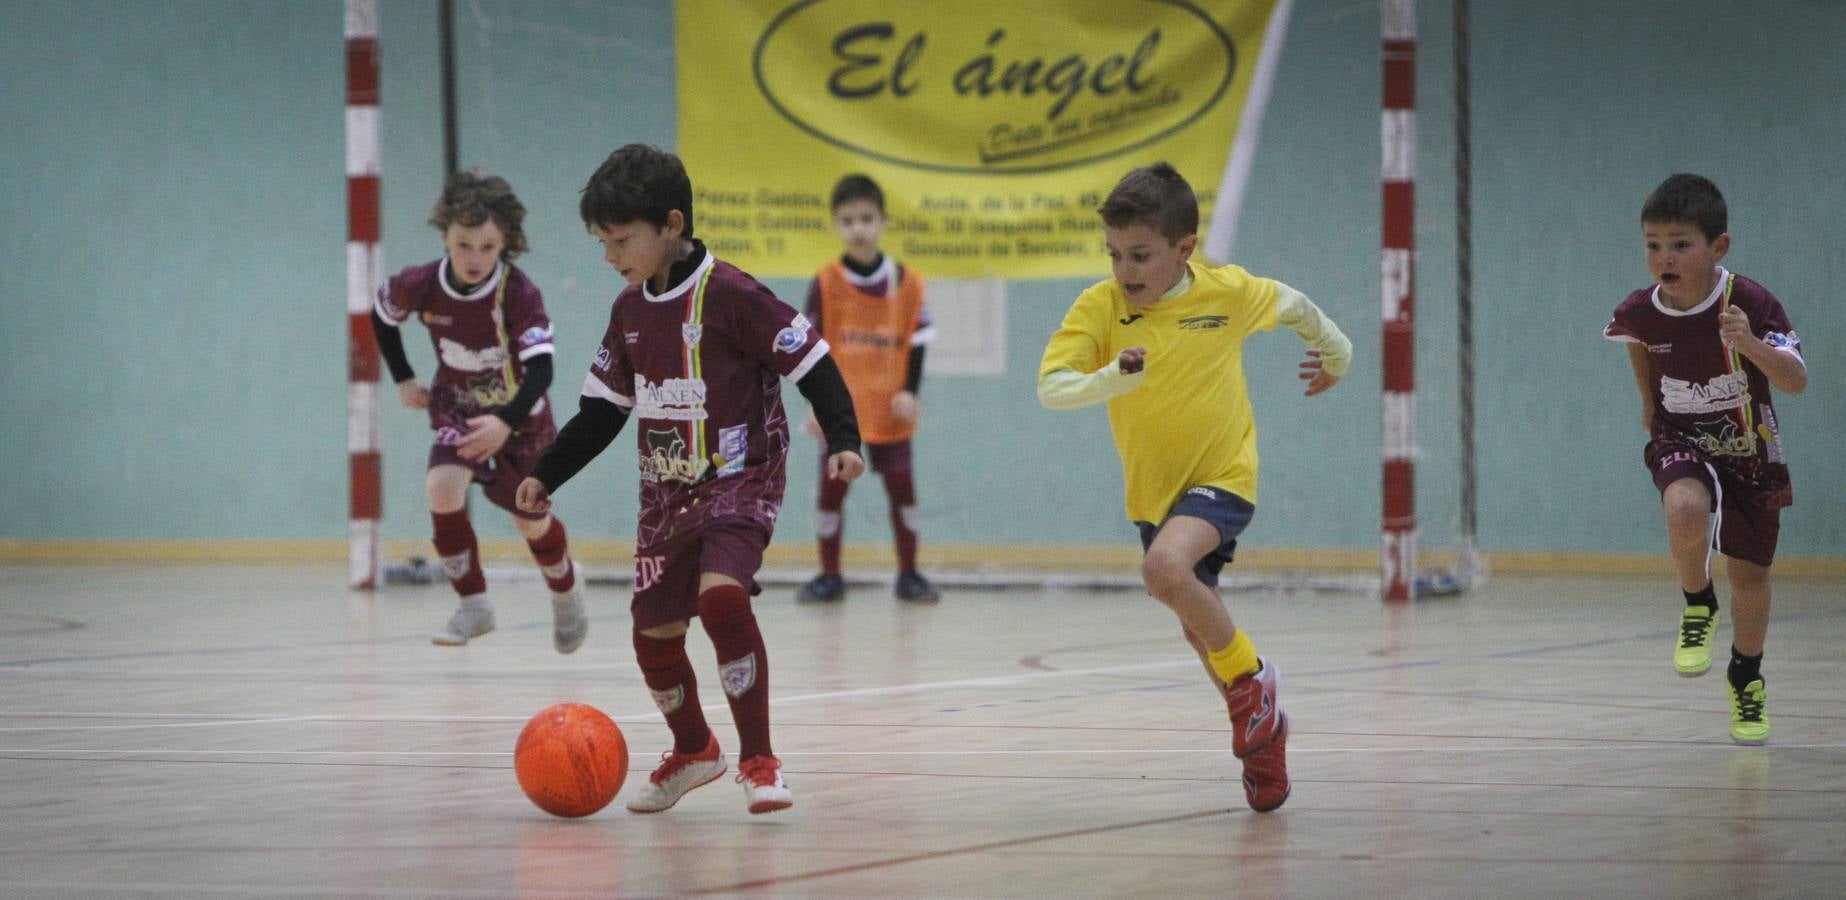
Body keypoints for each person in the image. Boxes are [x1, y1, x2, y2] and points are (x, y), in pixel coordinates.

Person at [517, 144, 865, 815]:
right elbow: (601, 412)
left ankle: (759, 760)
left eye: (621, 240)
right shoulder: (628, 313)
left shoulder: (733, 294)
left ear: (671, 224)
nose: (611, 256)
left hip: (742, 478)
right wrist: (546, 473)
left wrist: (844, 439)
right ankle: (694, 749)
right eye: (602, 242)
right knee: (653, 636)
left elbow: (813, 362)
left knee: (723, 602)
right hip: (665, 496)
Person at [1036, 162, 1352, 812]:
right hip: (1155, 496)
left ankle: (1255, 681)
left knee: (1164, 568)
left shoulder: (1227, 294)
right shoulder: (1099, 308)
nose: (1125, 270)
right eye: (1115, 254)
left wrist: (1337, 354)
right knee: (1196, 623)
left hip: (1223, 478)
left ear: (1184, 249)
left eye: (1141, 255)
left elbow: (1296, 307)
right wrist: (1107, 381)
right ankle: (1265, 740)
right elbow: (1051, 387)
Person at [1603, 173, 1806, 745]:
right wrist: (1648, 405)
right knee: (1684, 508)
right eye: (1652, 244)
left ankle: (1746, 674)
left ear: (1718, 247)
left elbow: (1795, 383)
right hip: (1680, 438)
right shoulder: (1640, 310)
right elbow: (1640, 348)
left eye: (1679, 243)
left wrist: (1750, 346)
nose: (1663, 256)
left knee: (1751, 575)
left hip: (1750, 451)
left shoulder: (1752, 302)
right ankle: (1697, 603)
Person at [372, 170, 587, 652]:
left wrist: (505, 421)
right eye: (464, 244)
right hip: (458, 409)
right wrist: (404, 376)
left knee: (530, 519)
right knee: (442, 486)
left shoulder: (518, 293)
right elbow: (383, 316)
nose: (474, 258)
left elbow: (541, 373)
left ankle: (565, 589)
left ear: (505, 243)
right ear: (445, 234)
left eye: (487, 247)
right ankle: (474, 605)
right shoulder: (420, 284)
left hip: (522, 418)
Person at [795, 174, 940, 604]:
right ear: (836, 225)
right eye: (847, 220)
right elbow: (808, 352)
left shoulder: (909, 282)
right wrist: (815, 406)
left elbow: (917, 341)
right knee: (830, 496)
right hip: (842, 414)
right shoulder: (824, 283)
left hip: (890, 411)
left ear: (883, 222)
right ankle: (829, 575)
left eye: (866, 218)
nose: (858, 227)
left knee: (903, 494)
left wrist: (911, 391)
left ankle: (910, 574)